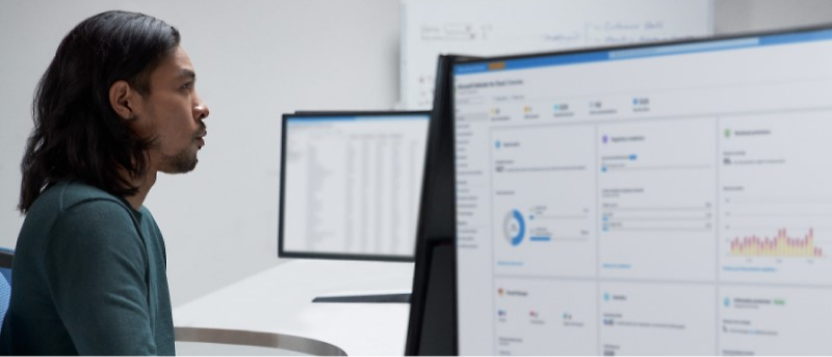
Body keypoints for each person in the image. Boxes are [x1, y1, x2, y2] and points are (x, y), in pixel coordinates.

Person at [0, 10, 209, 357]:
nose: (202, 107)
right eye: (184, 87)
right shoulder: (89, 220)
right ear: (125, 101)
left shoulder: (135, 219)